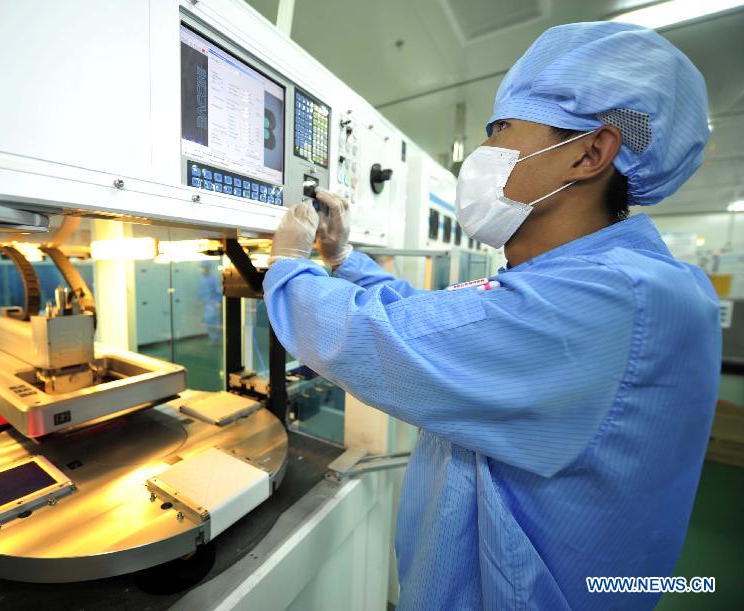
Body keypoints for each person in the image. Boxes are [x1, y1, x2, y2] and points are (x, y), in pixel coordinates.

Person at [263, 22, 720, 610]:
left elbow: (384, 339)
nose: (483, 153)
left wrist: (287, 265)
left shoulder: (612, 297)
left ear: (590, 151)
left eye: (502, 127)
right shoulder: (585, 280)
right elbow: (439, 321)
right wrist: (343, 260)